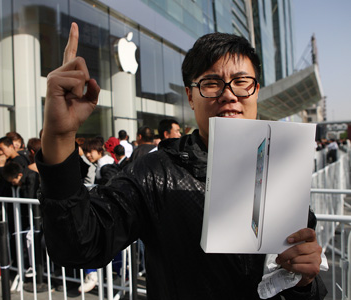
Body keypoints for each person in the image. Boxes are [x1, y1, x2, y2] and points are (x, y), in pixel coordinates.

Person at [36, 23, 325, 299]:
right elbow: (79, 245)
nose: (228, 94)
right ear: (190, 95)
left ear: (256, 90)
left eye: (241, 82)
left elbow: (300, 284)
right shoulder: (155, 172)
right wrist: (60, 137)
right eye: (211, 83)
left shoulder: (283, 168)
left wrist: (305, 281)